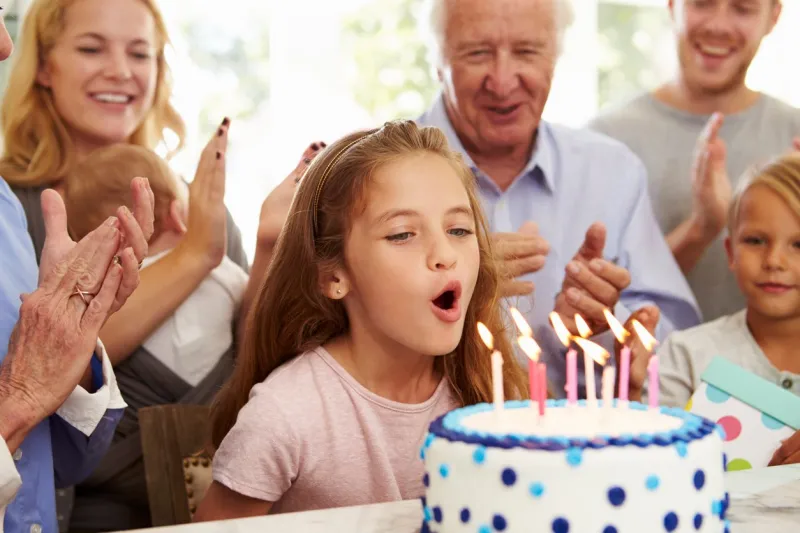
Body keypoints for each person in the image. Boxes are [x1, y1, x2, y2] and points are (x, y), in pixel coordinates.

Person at [0, 0, 322, 529]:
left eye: (140, 54)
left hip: (222, 487)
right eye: (91, 48)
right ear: (43, 66)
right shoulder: (21, 213)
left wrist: (269, 252)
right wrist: (194, 254)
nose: (121, 71)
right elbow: (50, 352)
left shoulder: (197, 203)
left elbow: (249, 346)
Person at [192, 121, 528, 520]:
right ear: (334, 276)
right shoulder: (285, 415)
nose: (444, 253)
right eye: (403, 234)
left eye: (459, 229)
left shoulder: (491, 390)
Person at [416, 0, 700, 395]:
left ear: (555, 56)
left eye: (527, 51)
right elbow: (331, 326)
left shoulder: (612, 171)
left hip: (579, 442)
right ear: (437, 59)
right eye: (477, 53)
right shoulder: (372, 174)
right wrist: (454, 275)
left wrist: (604, 324)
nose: (501, 81)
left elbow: (675, 338)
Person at [589, 0, 800, 322]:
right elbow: (592, 297)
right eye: (702, 3)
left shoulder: (794, 135)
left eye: (743, 8)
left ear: (773, 17)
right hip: (646, 371)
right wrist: (700, 229)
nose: (718, 25)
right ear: (672, 6)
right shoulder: (604, 141)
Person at [626, 153, 800, 466]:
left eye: (799, 245)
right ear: (731, 251)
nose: (775, 260)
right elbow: (650, 464)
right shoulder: (687, 355)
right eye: (756, 240)